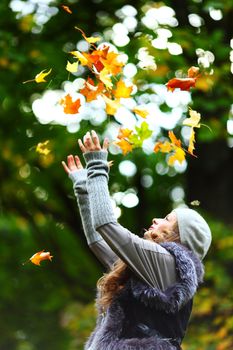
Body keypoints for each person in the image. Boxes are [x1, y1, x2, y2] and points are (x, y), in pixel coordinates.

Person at [62, 130, 212, 350]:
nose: (157, 219)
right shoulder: (155, 267)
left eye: (167, 219)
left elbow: (107, 225)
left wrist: (97, 167)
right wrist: (84, 189)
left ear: (179, 235)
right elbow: (98, 241)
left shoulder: (165, 261)